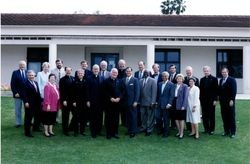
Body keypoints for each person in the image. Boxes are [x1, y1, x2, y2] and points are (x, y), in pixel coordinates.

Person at [103, 68, 125, 139]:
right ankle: (109, 133)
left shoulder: (120, 81)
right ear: (110, 73)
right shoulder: (106, 81)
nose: (114, 74)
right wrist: (110, 98)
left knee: (116, 119)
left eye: (116, 73)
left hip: (117, 103)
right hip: (109, 103)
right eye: (113, 72)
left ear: (117, 74)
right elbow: (104, 91)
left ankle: (115, 133)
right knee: (109, 119)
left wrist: (119, 98)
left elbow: (123, 91)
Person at [218, 68, 237, 138]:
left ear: (228, 72)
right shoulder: (220, 80)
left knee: (231, 117)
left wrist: (232, 100)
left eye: (225, 72)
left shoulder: (232, 80)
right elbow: (219, 91)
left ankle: (233, 132)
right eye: (222, 72)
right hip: (222, 103)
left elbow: (234, 91)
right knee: (224, 117)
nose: (224, 73)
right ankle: (226, 131)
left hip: (230, 102)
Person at [22, 70, 42, 137]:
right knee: (28, 117)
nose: (31, 76)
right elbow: (24, 94)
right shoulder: (25, 83)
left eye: (32, 75)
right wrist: (26, 102)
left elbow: (38, 93)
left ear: (34, 76)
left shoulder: (35, 83)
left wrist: (41, 101)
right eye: (30, 75)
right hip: (29, 103)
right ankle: (27, 132)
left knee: (38, 116)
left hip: (37, 103)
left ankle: (36, 128)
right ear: (27, 76)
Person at [87, 64, 105, 138]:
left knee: (100, 117)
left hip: (100, 101)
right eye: (95, 69)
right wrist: (88, 100)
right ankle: (93, 132)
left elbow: (104, 90)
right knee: (93, 117)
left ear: (99, 70)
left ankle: (99, 131)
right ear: (92, 70)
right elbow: (87, 90)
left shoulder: (102, 78)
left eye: (97, 69)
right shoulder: (89, 78)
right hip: (92, 101)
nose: (96, 70)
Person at [200, 66, 218, 135]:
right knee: (204, 116)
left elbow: (216, 90)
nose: (206, 72)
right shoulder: (202, 79)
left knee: (211, 116)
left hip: (211, 101)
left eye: (207, 71)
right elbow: (201, 91)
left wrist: (215, 100)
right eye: (205, 71)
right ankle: (206, 129)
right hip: (204, 101)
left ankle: (212, 129)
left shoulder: (214, 79)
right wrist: (200, 100)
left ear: (209, 71)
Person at [155, 71, 175, 137]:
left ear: (168, 77)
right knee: (158, 118)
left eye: (165, 76)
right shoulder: (159, 84)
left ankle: (166, 132)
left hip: (166, 105)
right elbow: (158, 94)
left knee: (166, 119)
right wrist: (156, 101)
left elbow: (172, 95)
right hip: (159, 104)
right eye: (163, 76)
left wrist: (169, 103)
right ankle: (160, 130)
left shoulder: (171, 84)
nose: (164, 77)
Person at [122, 67, 140, 138]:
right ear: (125, 72)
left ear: (131, 72)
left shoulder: (135, 80)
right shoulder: (123, 80)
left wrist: (136, 101)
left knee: (133, 117)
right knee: (128, 117)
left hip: (133, 102)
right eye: (127, 71)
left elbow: (137, 91)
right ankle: (129, 130)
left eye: (129, 71)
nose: (128, 72)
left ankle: (133, 131)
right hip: (125, 102)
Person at [139, 70, 157, 136]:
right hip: (142, 102)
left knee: (150, 117)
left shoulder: (153, 80)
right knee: (143, 116)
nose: (145, 74)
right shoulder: (140, 80)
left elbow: (154, 92)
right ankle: (144, 128)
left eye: (147, 73)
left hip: (150, 103)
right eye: (144, 73)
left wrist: (153, 102)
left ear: (149, 74)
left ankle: (149, 130)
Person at [10, 60, 27, 128]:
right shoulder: (15, 73)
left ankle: (27, 122)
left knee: (27, 109)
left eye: (23, 65)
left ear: (25, 65)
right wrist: (15, 92)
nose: (22, 66)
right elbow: (12, 84)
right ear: (19, 65)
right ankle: (18, 123)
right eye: (21, 64)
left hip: (26, 94)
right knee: (18, 109)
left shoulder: (27, 72)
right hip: (18, 94)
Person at [72, 69, 89, 137]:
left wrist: (87, 101)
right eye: (79, 73)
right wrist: (73, 101)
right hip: (76, 102)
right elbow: (72, 93)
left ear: (84, 74)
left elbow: (87, 92)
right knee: (76, 117)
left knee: (83, 117)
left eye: (82, 73)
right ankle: (76, 131)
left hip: (84, 103)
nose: (81, 74)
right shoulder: (74, 82)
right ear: (77, 74)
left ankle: (82, 131)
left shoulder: (85, 82)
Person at [59, 67, 75, 136]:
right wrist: (64, 100)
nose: (68, 71)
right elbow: (61, 91)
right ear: (65, 71)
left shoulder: (73, 78)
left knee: (76, 114)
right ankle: (65, 130)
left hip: (72, 100)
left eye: (69, 70)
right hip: (65, 100)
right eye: (67, 70)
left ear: (71, 71)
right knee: (65, 116)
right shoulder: (62, 80)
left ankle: (71, 127)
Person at [183, 66, 199, 132]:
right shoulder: (184, 79)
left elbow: (197, 92)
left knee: (194, 117)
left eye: (189, 71)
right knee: (187, 115)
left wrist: (195, 104)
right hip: (187, 101)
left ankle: (195, 131)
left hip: (194, 101)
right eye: (187, 71)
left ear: (192, 71)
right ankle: (189, 129)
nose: (188, 72)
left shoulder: (196, 79)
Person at [173, 74, 188, 139]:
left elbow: (186, 97)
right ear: (176, 79)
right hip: (174, 103)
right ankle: (179, 131)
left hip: (181, 104)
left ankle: (182, 133)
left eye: (180, 78)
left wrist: (183, 106)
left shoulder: (185, 86)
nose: (179, 79)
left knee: (181, 119)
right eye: (178, 78)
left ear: (182, 79)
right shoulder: (174, 85)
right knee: (176, 119)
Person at [51, 59, 65, 124]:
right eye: (57, 63)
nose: (59, 64)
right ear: (56, 64)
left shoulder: (65, 70)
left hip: (63, 90)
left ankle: (63, 119)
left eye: (60, 63)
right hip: (55, 89)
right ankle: (55, 118)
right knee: (55, 104)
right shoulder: (52, 71)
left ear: (62, 64)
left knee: (62, 105)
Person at [117, 59, 127, 126]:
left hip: (125, 94)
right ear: (118, 65)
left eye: (122, 64)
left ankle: (124, 123)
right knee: (117, 110)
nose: (121, 65)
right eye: (120, 64)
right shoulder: (116, 71)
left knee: (124, 111)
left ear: (125, 65)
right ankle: (116, 122)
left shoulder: (127, 72)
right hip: (117, 94)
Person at [168, 64, 178, 129]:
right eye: (171, 68)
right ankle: (171, 124)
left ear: (175, 69)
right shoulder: (168, 76)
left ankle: (174, 125)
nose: (172, 69)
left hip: (175, 97)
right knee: (170, 111)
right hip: (169, 96)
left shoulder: (178, 76)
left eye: (173, 68)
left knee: (175, 111)